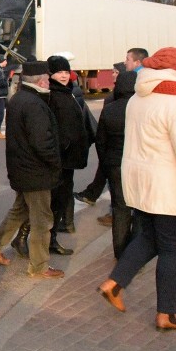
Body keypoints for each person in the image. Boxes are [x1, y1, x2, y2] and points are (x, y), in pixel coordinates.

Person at [97, 47, 176, 331]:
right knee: (173, 250)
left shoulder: (139, 99)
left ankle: (114, 283)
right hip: (169, 190)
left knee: (149, 238)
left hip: (142, 188)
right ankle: (167, 314)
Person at [0, 60, 65, 280]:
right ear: (40, 80)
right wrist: (55, 163)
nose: (49, 81)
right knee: (42, 220)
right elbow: (42, 142)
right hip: (36, 172)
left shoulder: (19, 99)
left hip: (22, 169)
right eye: (47, 78)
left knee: (20, 211)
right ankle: (39, 266)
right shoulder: (34, 104)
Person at [46, 54, 90, 248]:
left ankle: (51, 236)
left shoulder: (68, 92)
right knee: (54, 201)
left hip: (69, 158)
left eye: (66, 72)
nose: (63, 76)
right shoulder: (52, 95)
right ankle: (49, 239)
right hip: (60, 158)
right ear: (50, 74)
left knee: (62, 198)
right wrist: (64, 147)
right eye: (59, 72)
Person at [74, 61, 127, 214]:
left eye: (116, 72)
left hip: (115, 150)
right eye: (113, 72)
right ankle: (93, 194)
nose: (113, 75)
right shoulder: (113, 97)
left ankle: (106, 206)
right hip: (114, 150)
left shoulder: (113, 99)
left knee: (116, 188)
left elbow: (104, 129)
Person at [95, 70, 137, 258]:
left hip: (115, 164)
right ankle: (135, 251)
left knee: (120, 209)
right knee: (140, 209)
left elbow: (101, 140)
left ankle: (120, 252)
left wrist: (106, 163)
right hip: (138, 164)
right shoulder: (142, 107)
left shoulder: (110, 108)